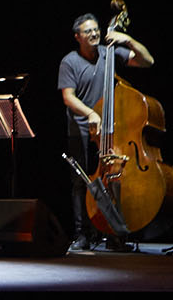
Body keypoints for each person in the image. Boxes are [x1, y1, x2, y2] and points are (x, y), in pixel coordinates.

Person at [57, 13, 154, 250]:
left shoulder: (109, 52)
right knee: (81, 183)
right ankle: (82, 234)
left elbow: (147, 61)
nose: (94, 34)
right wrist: (90, 113)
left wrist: (127, 40)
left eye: (96, 30)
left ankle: (113, 233)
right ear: (77, 36)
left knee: (112, 180)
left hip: (109, 131)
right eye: (88, 31)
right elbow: (68, 97)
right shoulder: (69, 61)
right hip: (80, 128)